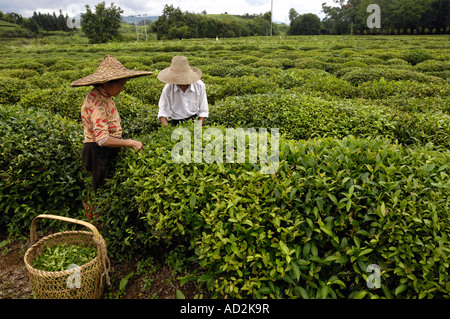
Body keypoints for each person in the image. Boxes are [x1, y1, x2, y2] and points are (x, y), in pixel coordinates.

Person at [71, 54, 153, 192]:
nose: (122, 89)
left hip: (106, 150)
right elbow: (102, 140)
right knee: (103, 191)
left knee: (109, 187)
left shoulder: (104, 95)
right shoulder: (98, 101)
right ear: (108, 83)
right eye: (121, 85)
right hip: (99, 152)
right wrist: (131, 143)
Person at [157, 56, 208, 127]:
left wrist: (197, 128)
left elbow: (203, 111)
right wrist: (167, 129)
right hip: (176, 122)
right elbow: (163, 111)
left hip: (195, 120)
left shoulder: (199, 85)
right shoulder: (168, 88)